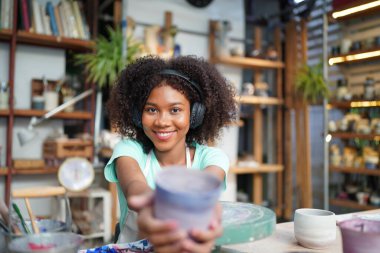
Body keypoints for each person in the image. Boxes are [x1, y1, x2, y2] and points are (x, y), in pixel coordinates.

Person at [105, 55, 237, 253]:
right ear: (137, 115)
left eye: (175, 110)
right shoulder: (129, 151)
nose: (162, 121)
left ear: (195, 114)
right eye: (151, 110)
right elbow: (134, 186)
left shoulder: (212, 158)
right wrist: (155, 204)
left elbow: (202, 190)